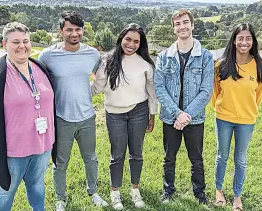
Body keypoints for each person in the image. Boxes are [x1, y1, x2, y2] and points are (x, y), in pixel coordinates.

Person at [0, 22, 55, 211]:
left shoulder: (39, 67)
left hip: (42, 145)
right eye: (16, 42)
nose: (22, 46)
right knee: (5, 190)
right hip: (11, 150)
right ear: (4, 44)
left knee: (37, 184)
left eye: (25, 41)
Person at [38, 11, 108, 211]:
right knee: (60, 162)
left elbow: (100, 75)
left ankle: (93, 192)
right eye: (69, 29)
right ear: (61, 31)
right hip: (61, 118)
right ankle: (60, 199)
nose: (74, 33)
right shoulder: (48, 55)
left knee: (91, 158)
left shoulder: (92, 54)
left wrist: (91, 91)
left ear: (82, 30)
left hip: (87, 117)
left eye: (78, 29)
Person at [92, 23, 158, 210]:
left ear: (141, 44)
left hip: (139, 111)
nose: (131, 44)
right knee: (117, 154)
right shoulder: (107, 62)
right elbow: (97, 88)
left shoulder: (145, 63)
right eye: (128, 39)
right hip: (115, 114)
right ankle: (115, 192)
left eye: (136, 41)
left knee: (136, 153)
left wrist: (152, 115)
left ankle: (135, 189)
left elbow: (152, 91)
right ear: (121, 39)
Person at [154, 9, 214, 205]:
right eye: (178, 24)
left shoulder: (205, 56)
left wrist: (186, 115)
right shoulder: (164, 57)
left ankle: (199, 194)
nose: (182, 26)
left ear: (192, 25)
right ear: (173, 28)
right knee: (169, 157)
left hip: (194, 119)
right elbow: (159, 88)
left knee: (196, 159)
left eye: (185, 22)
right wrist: (177, 114)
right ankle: (168, 191)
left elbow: (206, 91)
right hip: (170, 117)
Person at [212, 23, 262, 211]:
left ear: (253, 41)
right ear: (234, 40)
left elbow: (257, 96)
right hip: (224, 118)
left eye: (248, 38)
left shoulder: (260, 67)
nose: (244, 42)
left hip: (246, 121)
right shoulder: (221, 64)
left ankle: (237, 196)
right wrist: (221, 110)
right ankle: (218, 190)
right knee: (222, 156)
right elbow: (215, 92)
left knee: (240, 159)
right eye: (240, 38)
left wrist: (247, 111)